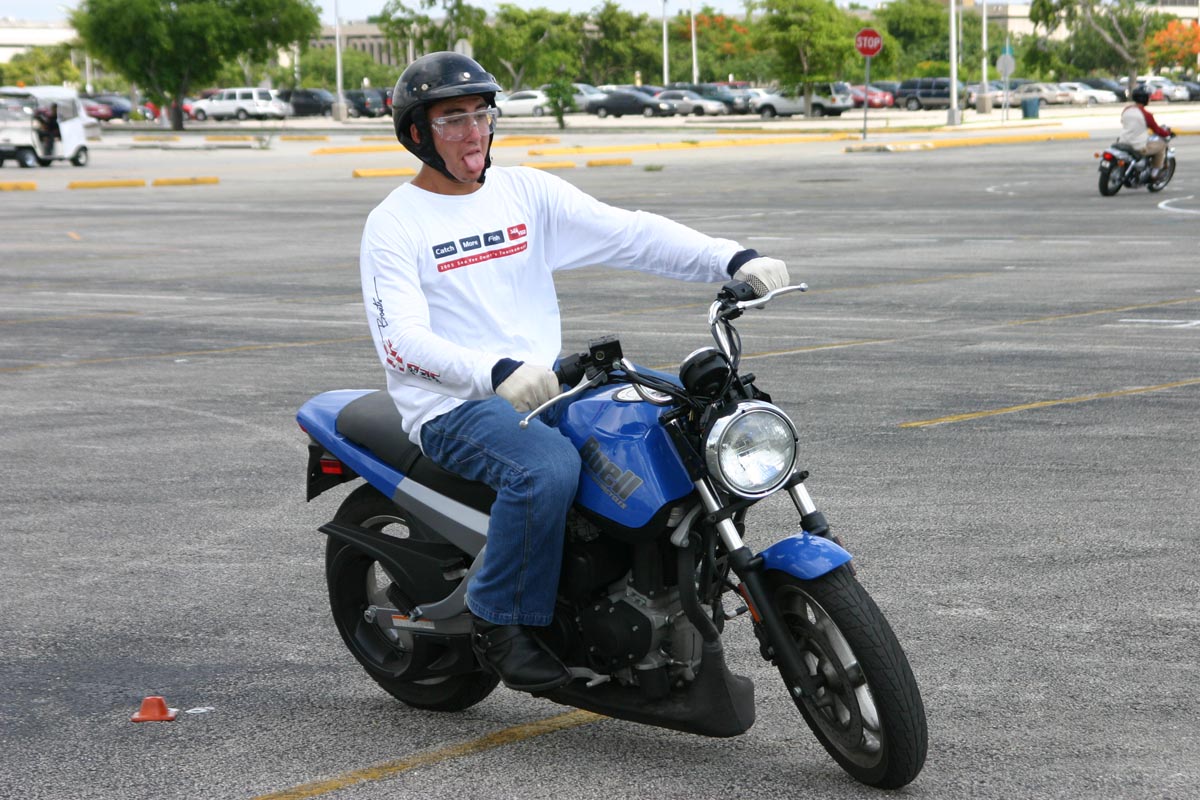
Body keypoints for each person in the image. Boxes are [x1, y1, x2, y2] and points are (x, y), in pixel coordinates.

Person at [359, 52, 790, 693]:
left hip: (544, 386)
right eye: (453, 119)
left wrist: (732, 259)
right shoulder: (396, 223)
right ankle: (501, 622)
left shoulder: (525, 193)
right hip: (453, 406)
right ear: (418, 132)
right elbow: (399, 343)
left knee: (688, 422)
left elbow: (630, 234)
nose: (474, 132)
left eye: (482, 114)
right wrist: (495, 371)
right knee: (547, 469)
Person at [1118, 85, 1172, 178]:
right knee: (1162, 145)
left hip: (1123, 142)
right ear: (1145, 99)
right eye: (1148, 97)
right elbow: (1157, 130)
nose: (1149, 99)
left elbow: (1123, 122)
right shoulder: (1147, 115)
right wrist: (1168, 133)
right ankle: (1154, 173)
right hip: (1137, 146)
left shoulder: (1126, 110)